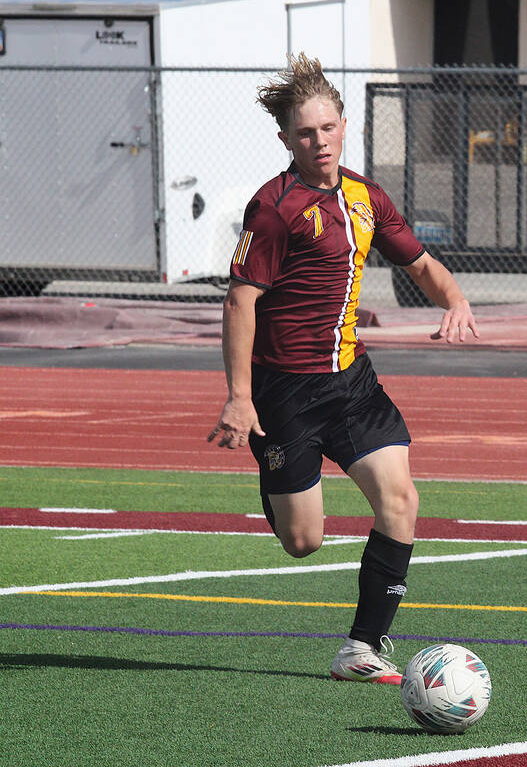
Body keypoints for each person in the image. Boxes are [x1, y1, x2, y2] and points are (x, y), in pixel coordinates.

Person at [207, 53, 479, 684]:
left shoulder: (365, 197)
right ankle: (278, 482)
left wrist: (456, 299)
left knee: (402, 500)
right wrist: (239, 397)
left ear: (343, 125)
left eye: (327, 129)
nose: (318, 142)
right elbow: (240, 300)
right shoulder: (272, 208)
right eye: (305, 133)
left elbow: (419, 265)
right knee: (303, 541)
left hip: (352, 382)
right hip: (284, 392)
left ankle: (362, 647)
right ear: (286, 140)